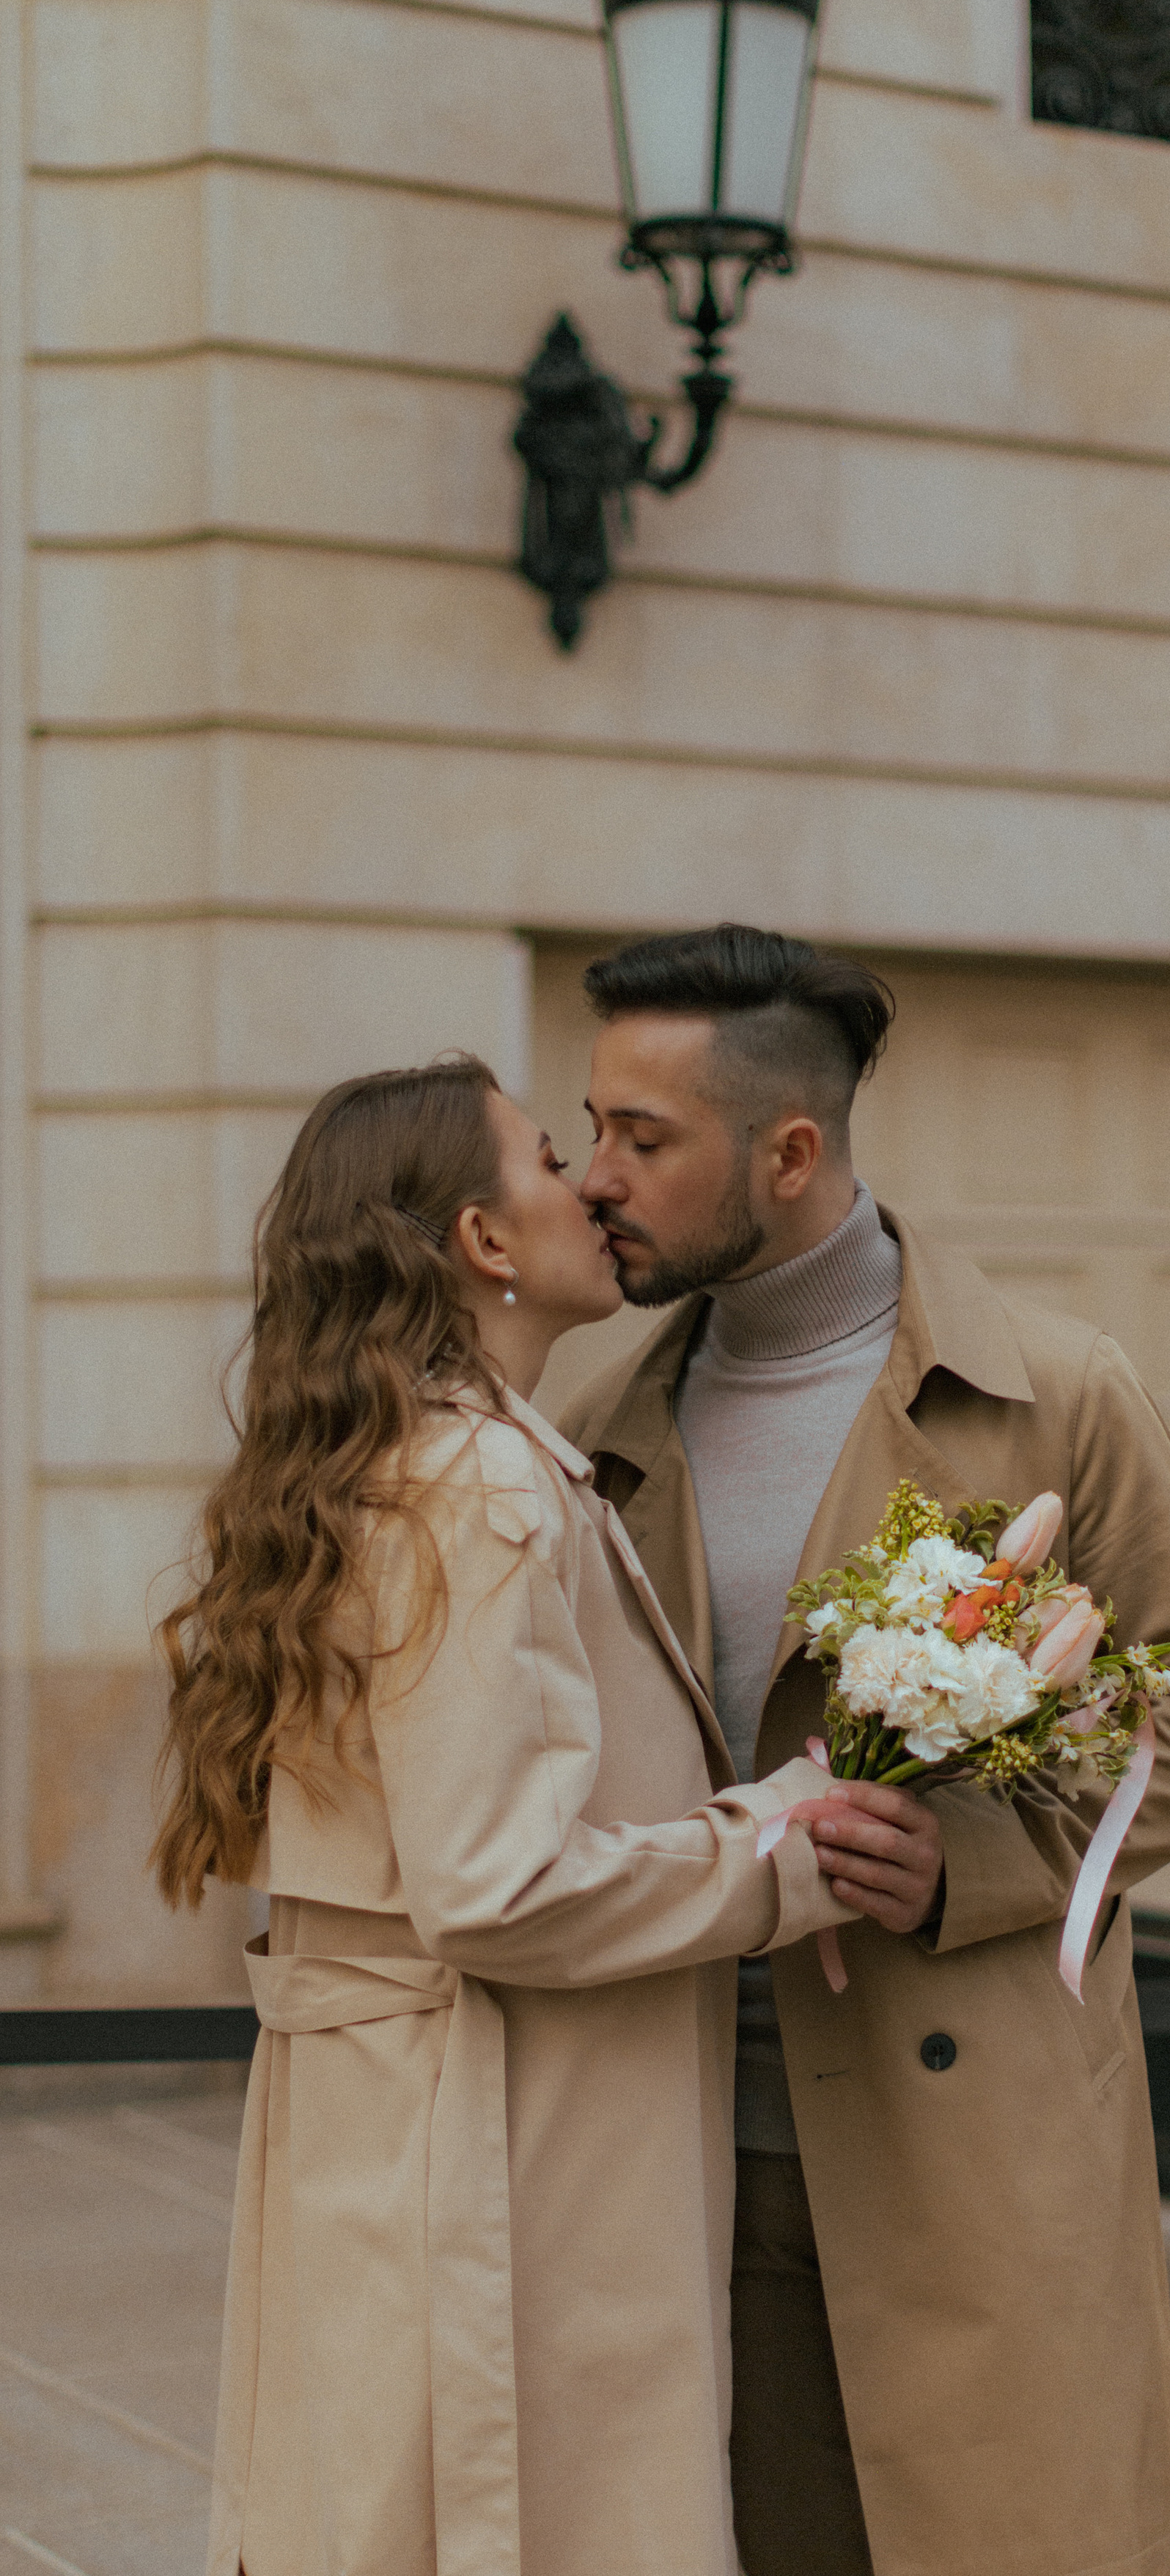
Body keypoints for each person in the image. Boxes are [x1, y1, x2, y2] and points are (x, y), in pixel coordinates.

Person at [561, 926, 1170, 2576]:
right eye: (589, 1125)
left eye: (641, 1138)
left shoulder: (1049, 1395)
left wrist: (980, 1861)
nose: (596, 1175)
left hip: (972, 2139)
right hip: (680, 2148)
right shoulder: (593, 1423)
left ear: (789, 1152)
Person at [151, 1056, 850, 2576]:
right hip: (498, 2149)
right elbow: (495, 1886)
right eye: (549, 1157)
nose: (592, 1183)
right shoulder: (477, 1485)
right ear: (478, 1239)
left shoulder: (407, 1464)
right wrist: (780, 1850)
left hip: (417, 2127)